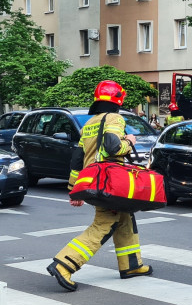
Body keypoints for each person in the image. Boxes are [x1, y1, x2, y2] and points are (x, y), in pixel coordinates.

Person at [46, 80, 153, 291]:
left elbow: (77, 159)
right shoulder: (115, 118)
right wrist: (130, 141)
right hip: (110, 183)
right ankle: (64, 264)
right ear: (118, 100)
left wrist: (74, 190)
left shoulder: (90, 123)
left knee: (124, 220)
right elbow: (113, 147)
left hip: (94, 182)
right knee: (103, 225)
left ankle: (131, 265)